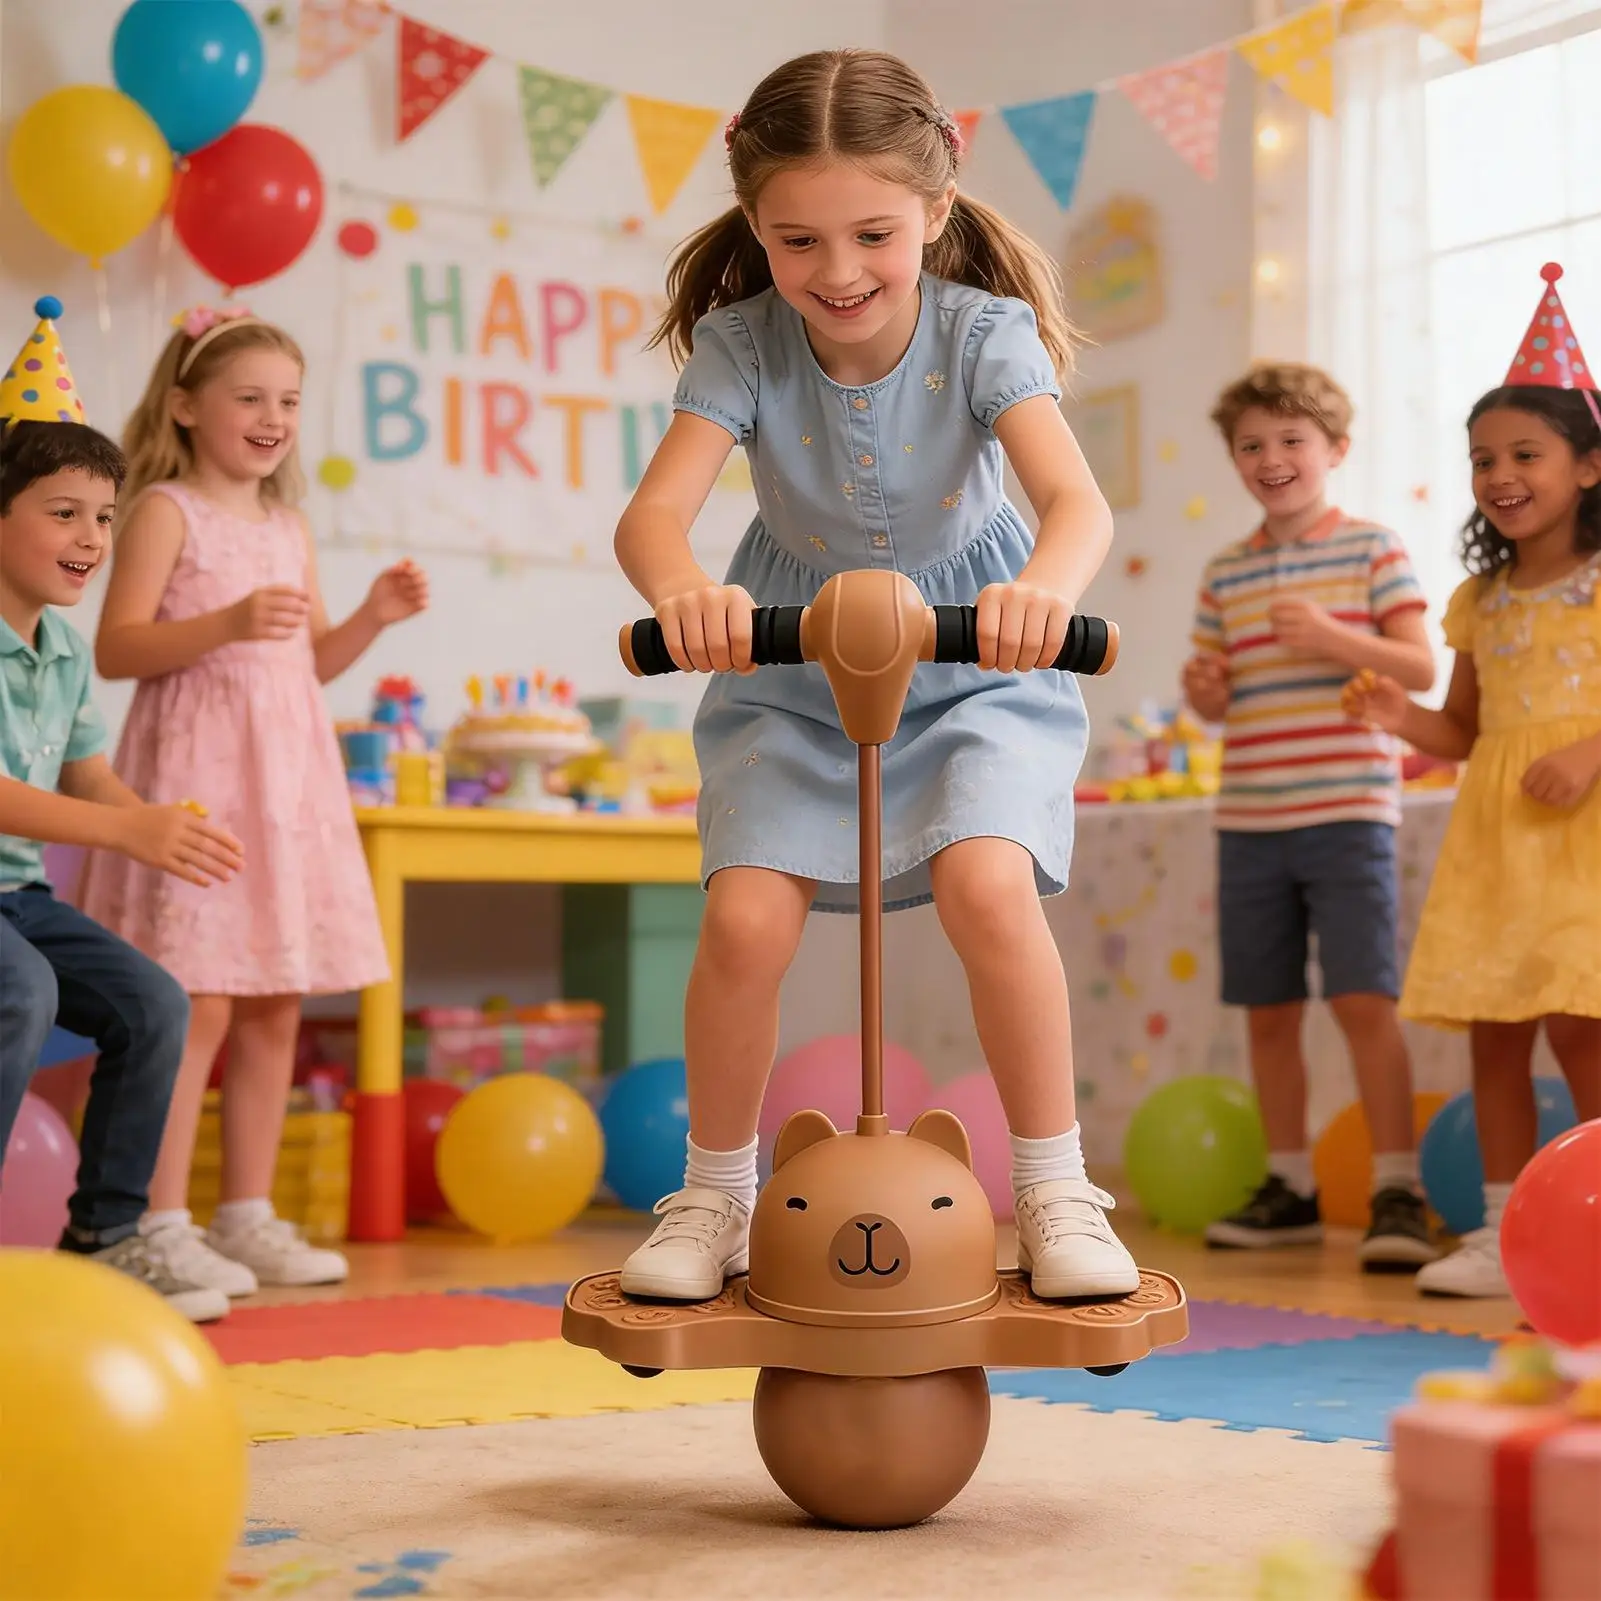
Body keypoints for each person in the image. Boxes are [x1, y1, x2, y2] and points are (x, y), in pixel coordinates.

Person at [610, 47, 1138, 1304]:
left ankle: (1056, 1184)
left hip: (973, 658)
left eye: (871, 236)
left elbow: (1073, 501)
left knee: (986, 884)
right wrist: (684, 592)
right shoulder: (741, 346)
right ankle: (713, 1191)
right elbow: (651, 519)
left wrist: (1038, 598)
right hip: (789, 657)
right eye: (796, 241)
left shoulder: (983, 334)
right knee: (742, 920)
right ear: (753, 226)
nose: (835, 273)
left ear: (934, 214)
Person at [78, 304, 428, 1297]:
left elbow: (306, 662)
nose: (273, 417)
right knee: (195, 997)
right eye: (249, 398)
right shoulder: (163, 511)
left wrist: (371, 614)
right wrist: (224, 620)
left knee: (276, 996)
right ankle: (157, 1215)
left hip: (286, 785)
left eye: (287, 401)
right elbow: (117, 648)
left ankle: (247, 1212)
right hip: (199, 779)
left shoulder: (287, 523)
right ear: (187, 405)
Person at [1345, 264, 1601, 1298]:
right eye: (1480, 458)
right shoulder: (1477, 601)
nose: (1498, 474)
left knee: (1583, 1028)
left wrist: (1589, 750)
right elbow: (1462, 726)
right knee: (1495, 1038)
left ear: (1586, 465)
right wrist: (1392, 716)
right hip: (1499, 838)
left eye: (1524, 454)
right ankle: (1506, 1228)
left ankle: (1592, 1216)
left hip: (1582, 835)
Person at [0, 297, 245, 1323]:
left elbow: (87, 774)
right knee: (21, 997)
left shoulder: (57, 651)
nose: (92, 537)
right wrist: (122, 830)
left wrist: (156, 820)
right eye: (65, 512)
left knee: (154, 1004)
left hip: (15, 894)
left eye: (104, 515)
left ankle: (106, 1235)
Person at [1180, 362, 1438, 1269]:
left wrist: (1331, 638)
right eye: (1250, 444)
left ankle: (1396, 1187)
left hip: (1348, 812)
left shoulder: (1371, 547)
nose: (1270, 457)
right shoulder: (1224, 571)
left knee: (1365, 997)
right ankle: (1288, 1183)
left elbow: (1419, 668)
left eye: (1290, 440)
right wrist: (1203, 687)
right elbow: (1212, 700)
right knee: (1267, 1008)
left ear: (1334, 449)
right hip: (1249, 817)